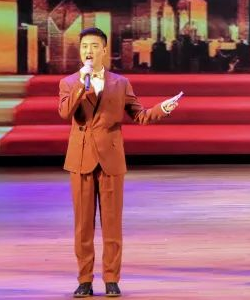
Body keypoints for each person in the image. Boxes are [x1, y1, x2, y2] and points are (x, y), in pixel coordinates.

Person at [58, 27, 181, 298]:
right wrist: (82, 84)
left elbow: (139, 115)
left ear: (104, 50)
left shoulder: (121, 83)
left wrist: (162, 109)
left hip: (111, 159)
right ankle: (84, 280)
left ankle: (111, 279)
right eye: (84, 46)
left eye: (94, 46)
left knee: (112, 225)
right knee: (83, 226)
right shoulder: (69, 82)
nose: (88, 51)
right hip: (81, 159)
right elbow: (66, 112)